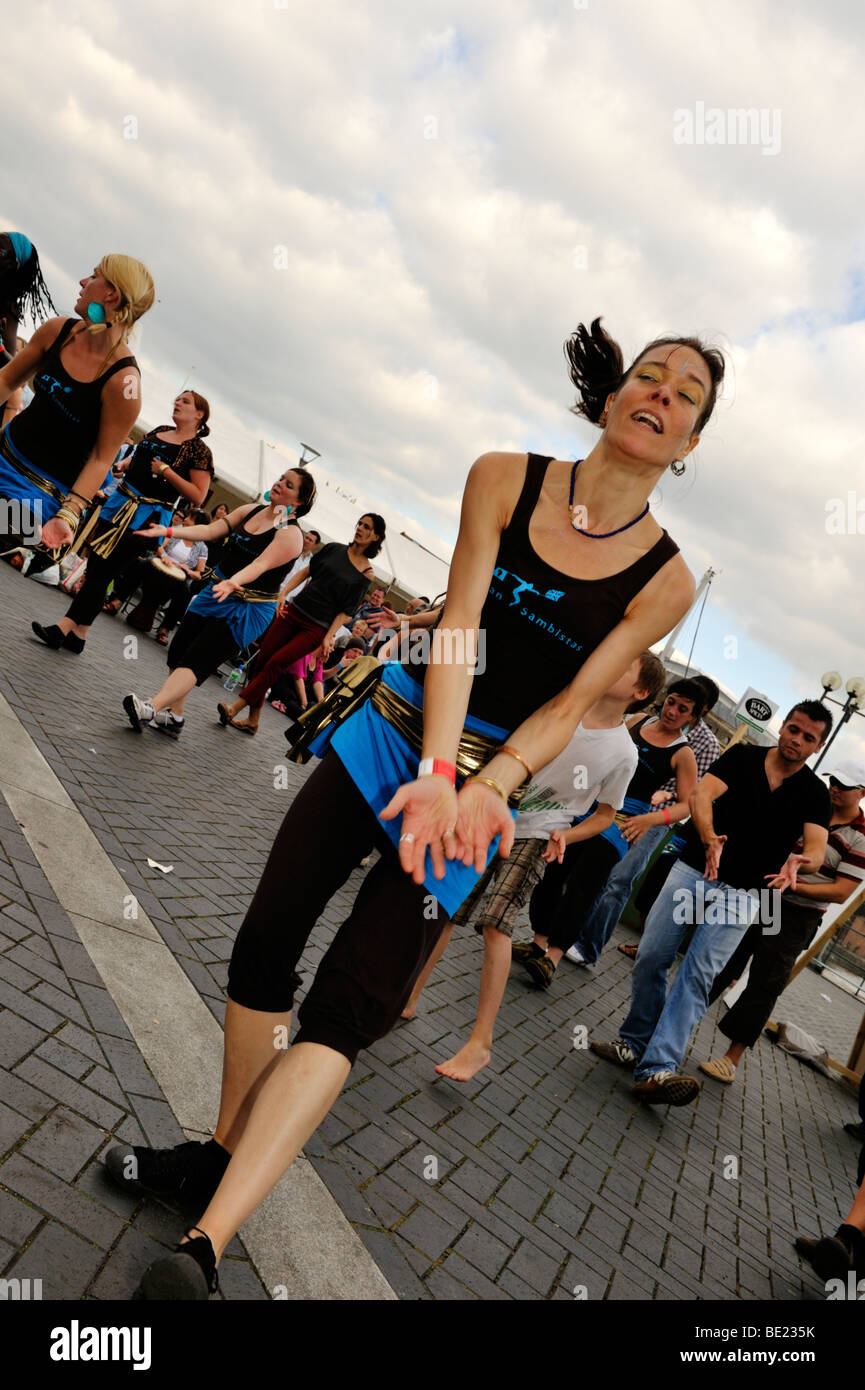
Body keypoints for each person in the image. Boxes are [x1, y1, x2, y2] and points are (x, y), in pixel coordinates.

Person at [103, 317, 725, 1299]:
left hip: (485, 801)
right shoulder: (502, 478)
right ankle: (219, 1150)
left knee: (347, 1007)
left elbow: (572, 704)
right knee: (265, 942)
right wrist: (432, 765)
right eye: (648, 375)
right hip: (390, 738)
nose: (660, 393)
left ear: (690, 444)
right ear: (611, 399)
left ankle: (205, 1248)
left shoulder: (665, 581)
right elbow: (462, 623)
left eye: (685, 394)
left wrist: (477, 788)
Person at [403, 651, 664, 1082]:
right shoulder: (562, 704)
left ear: (640, 692)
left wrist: (568, 834)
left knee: (496, 925)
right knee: (447, 911)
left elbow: (605, 814)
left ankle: (479, 1043)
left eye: (626, 664)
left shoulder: (624, 754)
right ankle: (407, 997)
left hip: (539, 831)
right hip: (496, 811)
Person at [590, 702, 833, 1106]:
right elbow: (702, 795)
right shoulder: (743, 757)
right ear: (783, 727)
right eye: (793, 729)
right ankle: (634, 1042)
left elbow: (818, 847)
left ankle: (658, 1068)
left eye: (808, 737)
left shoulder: (814, 793)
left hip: (745, 895)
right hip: (696, 872)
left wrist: (803, 860)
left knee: (697, 975)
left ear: (817, 746)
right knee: (651, 956)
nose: (796, 740)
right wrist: (708, 837)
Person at [699, 759, 865, 1084]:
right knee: (719, 961)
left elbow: (841, 891)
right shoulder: (813, 806)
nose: (835, 788)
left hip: (796, 915)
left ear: (862, 792)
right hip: (761, 896)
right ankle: (677, 1022)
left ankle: (730, 1060)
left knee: (765, 981)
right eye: (833, 781)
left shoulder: (861, 837)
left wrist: (792, 884)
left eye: (844, 786)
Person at [528, 677, 701, 981]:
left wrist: (651, 819)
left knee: (585, 883)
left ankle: (552, 958)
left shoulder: (683, 753)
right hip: (588, 804)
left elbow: (688, 804)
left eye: (682, 709)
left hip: (624, 821)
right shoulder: (636, 720)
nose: (672, 711)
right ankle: (537, 943)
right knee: (554, 868)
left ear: (693, 719)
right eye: (671, 702)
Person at [121, 469, 315, 738]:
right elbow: (212, 529)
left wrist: (233, 581)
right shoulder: (252, 510)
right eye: (281, 478)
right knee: (178, 652)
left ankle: (150, 708)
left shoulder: (290, 534)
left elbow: (260, 564)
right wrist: (168, 529)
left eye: (289, 484)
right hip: (218, 592)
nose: (280, 483)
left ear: (299, 502)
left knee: (198, 658)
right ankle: (174, 718)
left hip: (248, 608)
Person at [33, 391, 214, 653]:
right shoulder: (161, 429)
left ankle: (62, 628)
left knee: (104, 570)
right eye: (177, 398)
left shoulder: (199, 451)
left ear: (200, 415)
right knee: (95, 565)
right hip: (120, 502)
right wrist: (126, 464)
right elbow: (140, 455)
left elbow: (198, 495)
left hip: (146, 518)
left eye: (185, 402)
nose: (177, 402)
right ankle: (79, 635)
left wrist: (166, 471)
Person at [0, 255, 153, 564]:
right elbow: (6, 380)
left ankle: (38, 558)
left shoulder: (125, 383)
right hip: (4, 452)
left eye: (93, 276)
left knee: (9, 532)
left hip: (39, 496)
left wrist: (68, 514)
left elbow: (102, 458)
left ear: (110, 295)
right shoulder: (58, 330)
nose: (83, 282)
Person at [218, 513, 385, 735]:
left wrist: (329, 636)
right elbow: (307, 572)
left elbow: (346, 611)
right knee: (263, 660)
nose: (360, 528)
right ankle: (253, 720)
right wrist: (283, 593)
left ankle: (234, 708)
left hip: (315, 627)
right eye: (360, 523)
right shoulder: (334, 549)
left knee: (276, 662)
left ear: (375, 537)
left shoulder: (366, 573)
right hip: (294, 611)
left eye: (367, 527)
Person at [623, 673, 722, 954]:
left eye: (687, 706)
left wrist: (668, 795)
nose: (675, 710)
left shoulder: (707, 744)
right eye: (673, 701)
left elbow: (698, 792)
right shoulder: (646, 720)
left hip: (658, 817)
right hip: (621, 802)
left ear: (701, 710)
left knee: (623, 877)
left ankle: (589, 945)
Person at [0, 231, 57, 428]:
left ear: (13, 265)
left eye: (0, 251)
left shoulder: (8, 305)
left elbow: (13, 369)